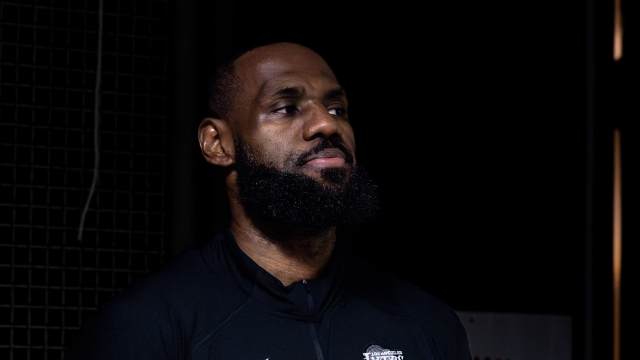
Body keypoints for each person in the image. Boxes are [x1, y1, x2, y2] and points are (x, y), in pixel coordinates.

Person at [69, 42, 471, 360]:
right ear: (218, 143)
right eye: (286, 108)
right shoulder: (147, 327)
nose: (327, 123)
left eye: (337, 108)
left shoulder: (425, 323)